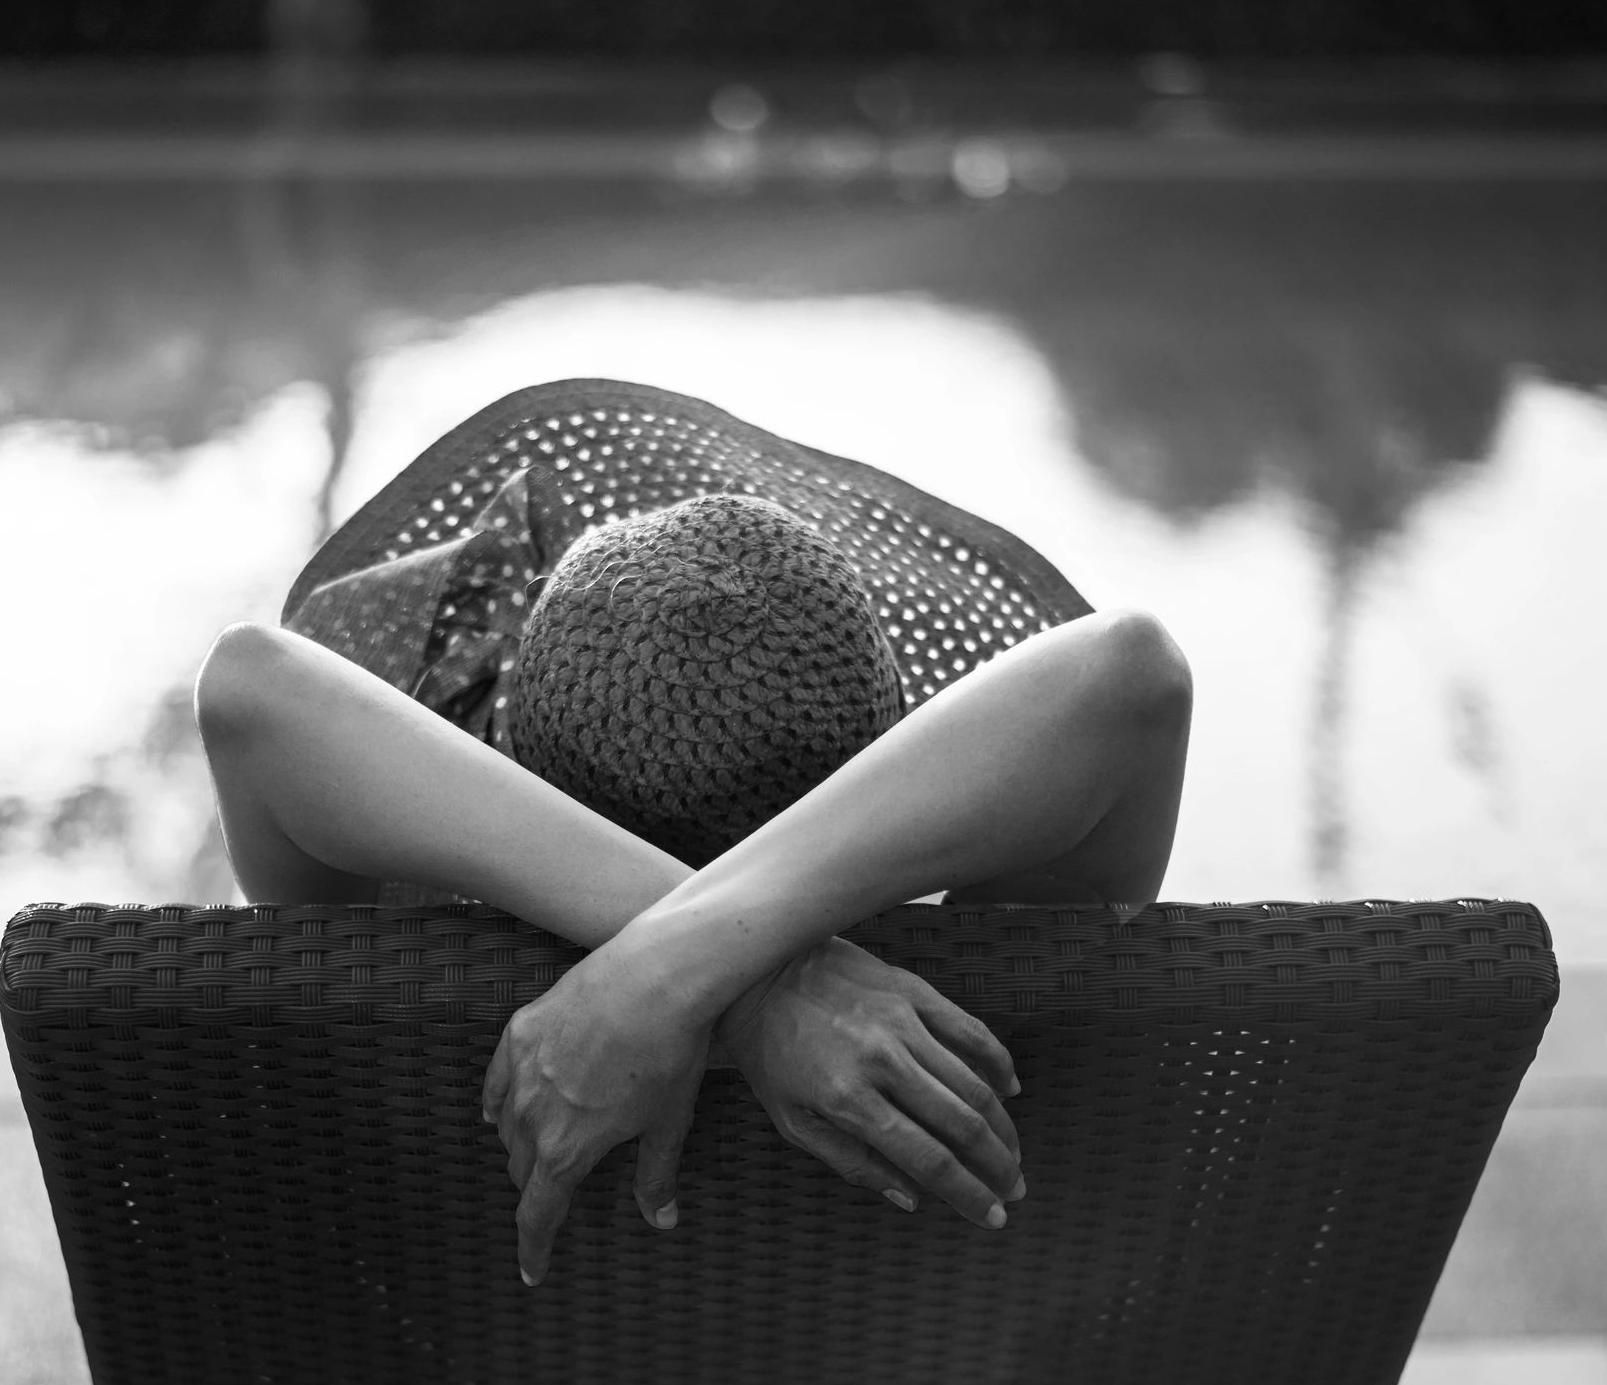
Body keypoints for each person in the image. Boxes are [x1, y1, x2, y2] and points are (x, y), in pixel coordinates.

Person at [194, 381, 1192, 1286]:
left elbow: (250, 687)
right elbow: (1130, 675)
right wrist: (754, 977)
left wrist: (670, 972)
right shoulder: (981, 989)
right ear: (885, 764)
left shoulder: (383, 959)